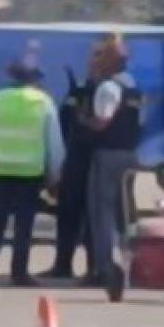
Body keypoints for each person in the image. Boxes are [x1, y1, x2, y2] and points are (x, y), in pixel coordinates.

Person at [0, 57, 65, 286]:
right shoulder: (43, 102)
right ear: (35, 79)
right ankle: (19, 272)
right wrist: (54, 176)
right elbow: (54, 144)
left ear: (11, 75)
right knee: (24, 226)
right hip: (30, 174)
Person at [83, 37, 142, 302]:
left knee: (102, 211)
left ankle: (107, 268)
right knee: (125, 212)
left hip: (107, 154)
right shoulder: (134, 87)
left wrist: (84, 121)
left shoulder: (109, 87)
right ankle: (131, 262)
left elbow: (103, 121)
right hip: (130, 153)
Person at [38, 62, 101, 280]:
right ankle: (63, 265)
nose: (94, 65)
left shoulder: (111, 91)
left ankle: (94, 268)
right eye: (93, 59)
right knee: (67, 214)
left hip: (97, 160)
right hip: (75, 158)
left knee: (95, 217)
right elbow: (63, 123)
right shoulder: (79, 91)